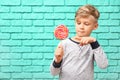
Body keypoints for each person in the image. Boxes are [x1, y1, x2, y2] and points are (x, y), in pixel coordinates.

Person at [50, 4, 108, 80]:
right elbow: (54, 73)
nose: (81, 27)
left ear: (95, 26)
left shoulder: (94, 45)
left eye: (86, 24)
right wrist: (57, 60)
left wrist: (94, 42)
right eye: (78, 23)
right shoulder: (64, 44)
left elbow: (103, 65)